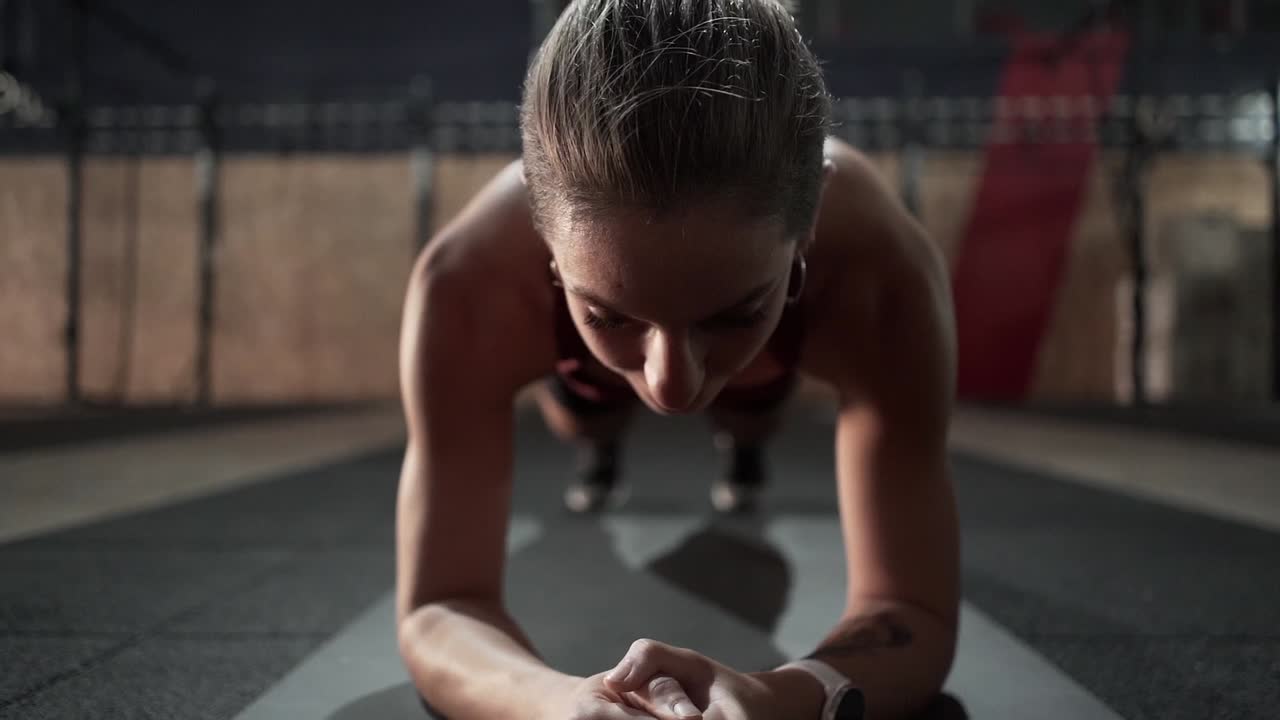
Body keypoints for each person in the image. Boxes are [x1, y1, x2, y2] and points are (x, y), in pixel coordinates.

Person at [395, 1, 960, 718]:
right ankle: (604, 430)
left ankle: (741, 429)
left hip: (765, 363)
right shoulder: (468, 282)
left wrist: (775, 696)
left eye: (733, 313)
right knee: (589, 415)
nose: (669, 382)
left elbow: (911, 608)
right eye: (607, 314)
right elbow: (438, 604)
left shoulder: (883, 271)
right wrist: (563, 705)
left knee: (750, 403)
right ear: (544, 238)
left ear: (807, 226)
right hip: (601, 369)